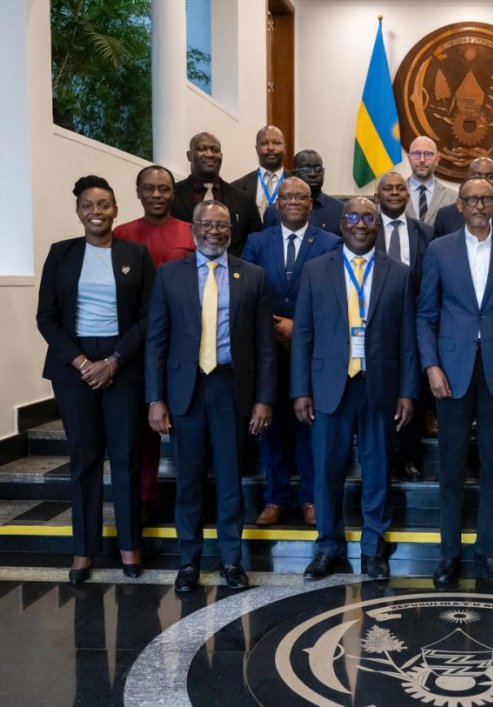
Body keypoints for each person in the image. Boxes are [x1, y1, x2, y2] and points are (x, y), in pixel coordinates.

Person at [145, 200, 276, 592]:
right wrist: (155, 398)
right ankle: (189, 562)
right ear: (193, 229)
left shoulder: (252, 276)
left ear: (230, 231)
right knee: (188, 480)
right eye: (205, 224)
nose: (213, 231)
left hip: (231, 388)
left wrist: (264, 398)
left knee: (230, 480)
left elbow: (265, 346)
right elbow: (156, 341)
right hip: (185, 391)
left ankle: (231, 561)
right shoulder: (169, 276)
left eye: (221, 225)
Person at [292, 198, 418, 580]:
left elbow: (407, 338)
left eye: (368, 218)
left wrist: (407, 391)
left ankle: (373, 549)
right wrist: (301, 390)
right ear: (340, 224)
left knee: (378, 469)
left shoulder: (399, 273)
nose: (360, 224)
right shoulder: (315, 270)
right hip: (329, 385)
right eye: (352, 217)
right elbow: (303, 334)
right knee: (326, 470)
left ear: (377, 226)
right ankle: (327, 547)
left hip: (378, 386)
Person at [37, 175, 154, 584]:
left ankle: (128, 546)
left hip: (122, 365)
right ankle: (83, 550)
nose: (96, 212)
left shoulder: (136, 254)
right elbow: (47, 318)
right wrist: (83, 362)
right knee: (84, 460)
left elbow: (147, 317)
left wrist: (114, 360)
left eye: (103, 205)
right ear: (78, 211)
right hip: (74, 368)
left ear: (116, 209)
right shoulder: (61, 254)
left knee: (125, 458)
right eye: (88, 205)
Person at [417, 177, 493, 586]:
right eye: (472, 199)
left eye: (486, 198)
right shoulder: (439, 249)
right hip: (451, 371)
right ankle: (449, 553)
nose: (480, 205)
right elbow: (426, 315)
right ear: (461, 206)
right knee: (450, 466)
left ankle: (487, 553)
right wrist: (431, 365)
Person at [242, 178, 341, 528]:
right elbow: (247, 294)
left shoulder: (331, 243)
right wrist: (275, 326)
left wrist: (297, 325)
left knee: (309, 425)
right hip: (268, 352)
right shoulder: (256, 243)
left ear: (311, 203)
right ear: (276, 204)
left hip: (313, 353)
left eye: (301, 196)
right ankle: (276, 497)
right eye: (287, 196)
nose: (294, 201)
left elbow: (334, 298)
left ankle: (311, 498)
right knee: (272, 426)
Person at [115, 164, 196, 522]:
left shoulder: (191, 232)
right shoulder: (121, 234)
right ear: (138, 192)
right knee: (142, 426)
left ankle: (190, 497)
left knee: (187, 422)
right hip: (138, 344)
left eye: (164, 189)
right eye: (149, 188)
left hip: (184, 344)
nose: (157, 195)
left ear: (173, 193)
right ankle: (145, 496)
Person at [374, 171, 434, 481]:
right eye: (388, 188)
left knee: (412, 388)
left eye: (400, 188)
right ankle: (384, 456)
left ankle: (409, 457)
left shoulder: (424, 231)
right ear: (378, 194)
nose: (395, 193)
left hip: (415, 316)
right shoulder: (367, 229)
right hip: (378, 320)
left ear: (408, 195)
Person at [170, 132, 263, 256]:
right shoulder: (172, 196)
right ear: (189, 155)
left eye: (215, 150)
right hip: (183, 270)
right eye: (202, 149)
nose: (209, 154)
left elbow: (256, 243)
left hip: (231, 271)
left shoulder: (243, 199)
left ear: (221, 156)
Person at [432, 157, 493, 237]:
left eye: (490, 177)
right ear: (467, 178)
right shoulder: (446, 215)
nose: (483, 181)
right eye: (478, 175)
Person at [265, 149, 344, 234]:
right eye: (306, 170)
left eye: (318, 169)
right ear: (293, 174)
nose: (313, 174)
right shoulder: (274, 211)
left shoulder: (340, 210)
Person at [231, 125, 293, 219]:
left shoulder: (299, 183)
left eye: (276, 143)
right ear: (256, 149)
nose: (270, 148)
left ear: (285, 148)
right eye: (264, 143)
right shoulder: (238, 187)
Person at [405, 135, 457, 226]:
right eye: (416, 154)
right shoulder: (393, 195)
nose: (422, 160)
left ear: (437, 159)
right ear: (409, 159)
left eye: (428, 154)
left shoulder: (454, 198)